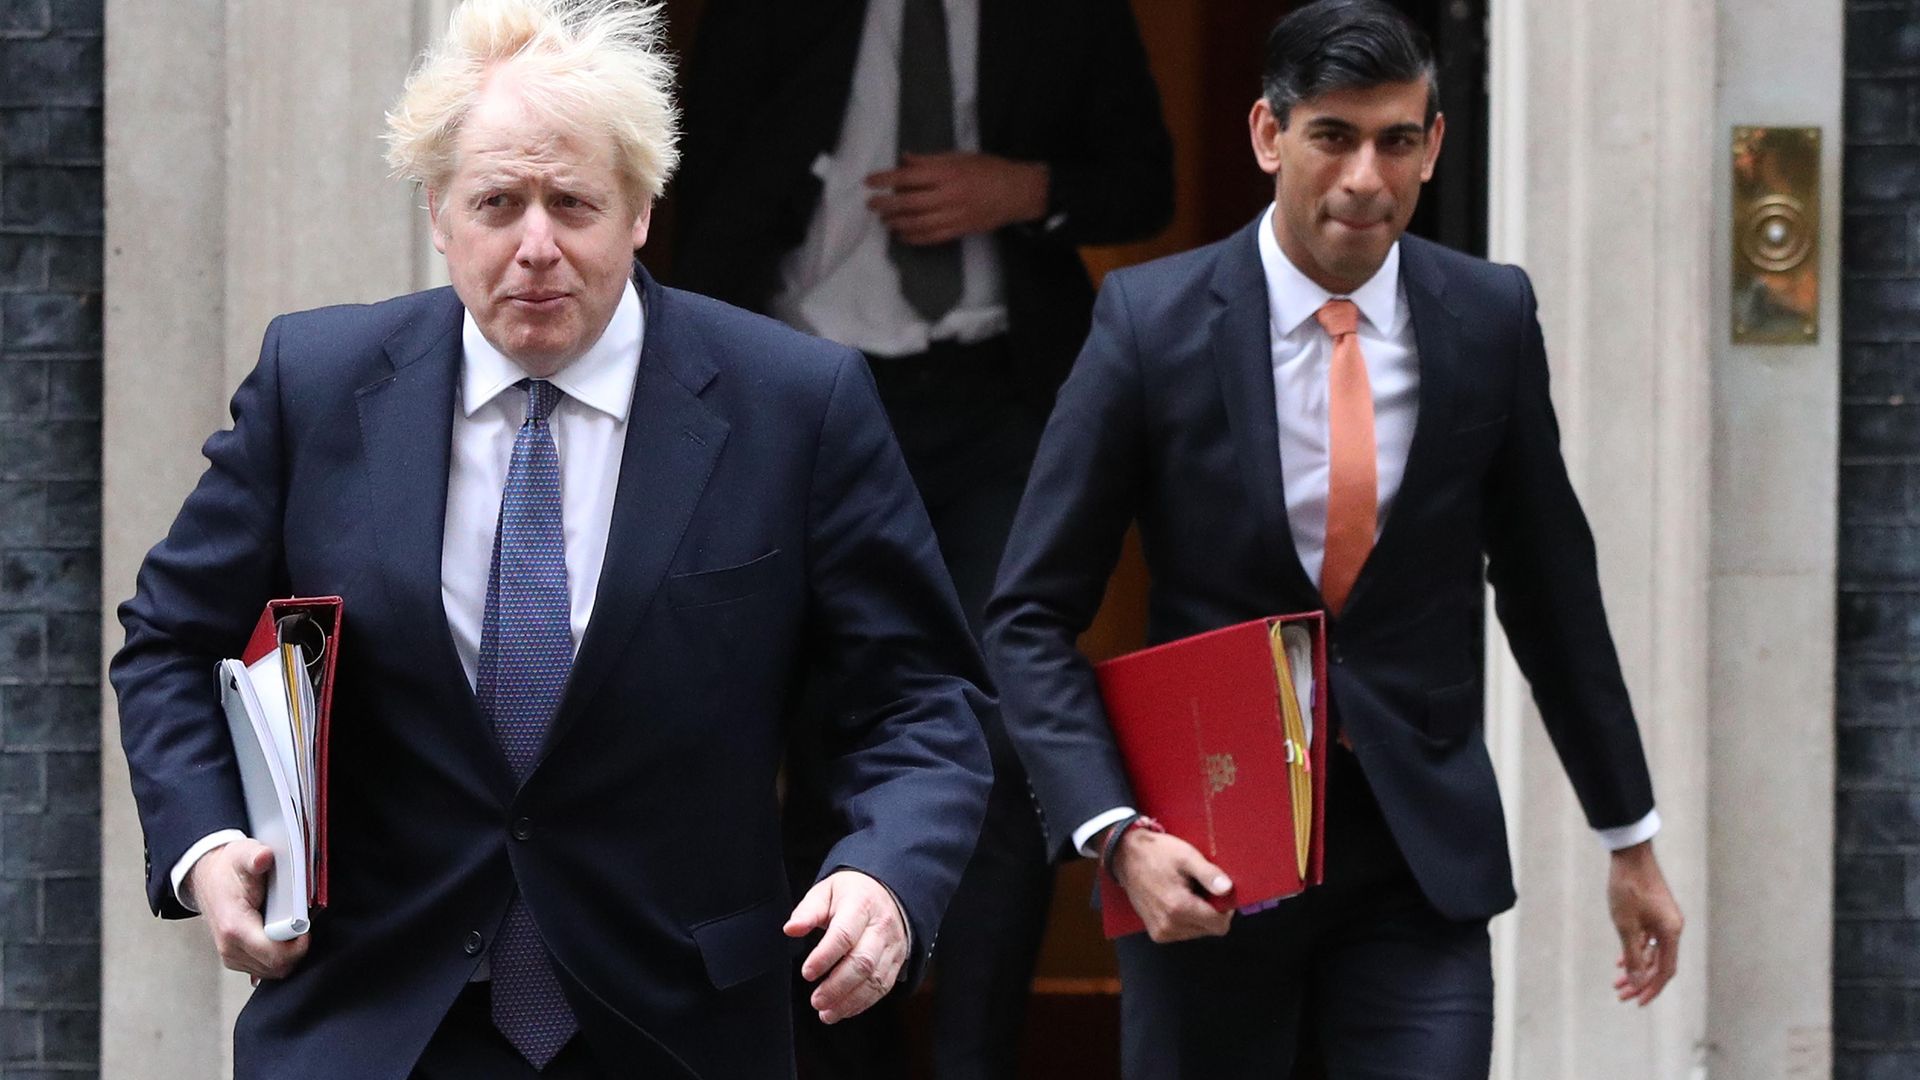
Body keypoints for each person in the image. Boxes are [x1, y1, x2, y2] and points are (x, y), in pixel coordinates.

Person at [109, 2, 992, 1077]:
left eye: (573, 202)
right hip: (373, 1015)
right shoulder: (319, 383)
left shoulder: (793, 406)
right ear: (439, 213)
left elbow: (921, 700)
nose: (536, 247)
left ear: (638, 210)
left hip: (673, 1025)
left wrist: (886, 874)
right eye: (497, 202)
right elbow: (169, 641)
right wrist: (206, 849)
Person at [984, 2, 1685, 1077]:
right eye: (1334, 137)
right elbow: (1029, 615)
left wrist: (1627, 836)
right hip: (1207, 858)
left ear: (1434, 145)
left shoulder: (1488, 319)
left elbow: (1551, 589)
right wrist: (1116, 832)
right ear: (1271, 136)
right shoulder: (1149, 322)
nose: (1366, 176)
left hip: (1418, 866)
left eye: (1397, 140)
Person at [671, 2, 1173, 1076]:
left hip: (994, 400)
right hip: (803, 394)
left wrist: (1027, 189)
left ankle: (973, 1061)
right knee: (820, 742)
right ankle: (840, 1055)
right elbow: (688, 174)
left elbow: (1146, 178)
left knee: (1000, 733)